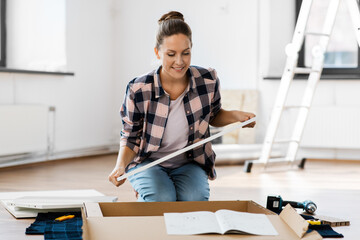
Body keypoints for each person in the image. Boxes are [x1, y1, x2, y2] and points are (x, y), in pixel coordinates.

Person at [108, 11, 256, 202]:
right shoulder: (139, 88)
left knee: (194, 199)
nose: (180, 61)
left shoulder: (207, 80)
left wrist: (237, 116)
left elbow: (214, 115)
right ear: (157, 52)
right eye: (171, 54)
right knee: (161, 198)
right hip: (148, 161)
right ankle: (148, 187)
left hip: (189, 162)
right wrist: (121, 165)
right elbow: (130, 135)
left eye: (186, 53)